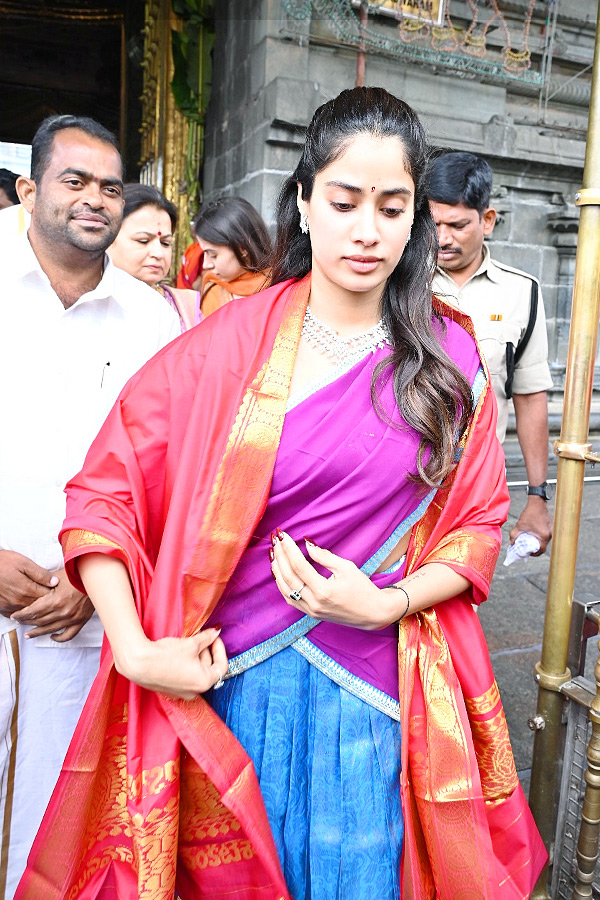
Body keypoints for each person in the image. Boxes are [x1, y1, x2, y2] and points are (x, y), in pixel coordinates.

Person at [17, 89, 546, 900]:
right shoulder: (224, 346)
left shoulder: (450, 358)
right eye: (343, 200)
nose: (366, 229)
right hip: (234, 686)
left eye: (392, 206)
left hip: (380, 695)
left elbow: (476, 524)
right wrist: (132, 645)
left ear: (415, 222)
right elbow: (103, 493)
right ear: (305, 201)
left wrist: (389, 602)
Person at [0, 114, 180, 900]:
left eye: (110, 187)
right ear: (30, 188)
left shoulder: (152, 319)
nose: (95, 200)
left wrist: (95, 574)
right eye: (74, 181)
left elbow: (167, 468)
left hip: (84, 616)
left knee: (58, 813)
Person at [427, 151, 554, 554]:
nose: (443, 238)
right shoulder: (398, 284)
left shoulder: (523, 293)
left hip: (478, 486)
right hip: (401, 484)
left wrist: (537, 496)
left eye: (458, 225)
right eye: (433, 225)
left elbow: (530, 397)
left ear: (487, 220)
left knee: (461, 603)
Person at [108, 183, 203, 332]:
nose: (158, 253)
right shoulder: (84, 302)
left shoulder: (187, 307)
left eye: (165, 243)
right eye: (143, 241)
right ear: (108, 239)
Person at [195, 195, 271, 315]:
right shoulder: (213, 292)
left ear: (242, 248)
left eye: (213, 255)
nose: (206, 265)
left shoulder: (281, 290)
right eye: (205, 253)